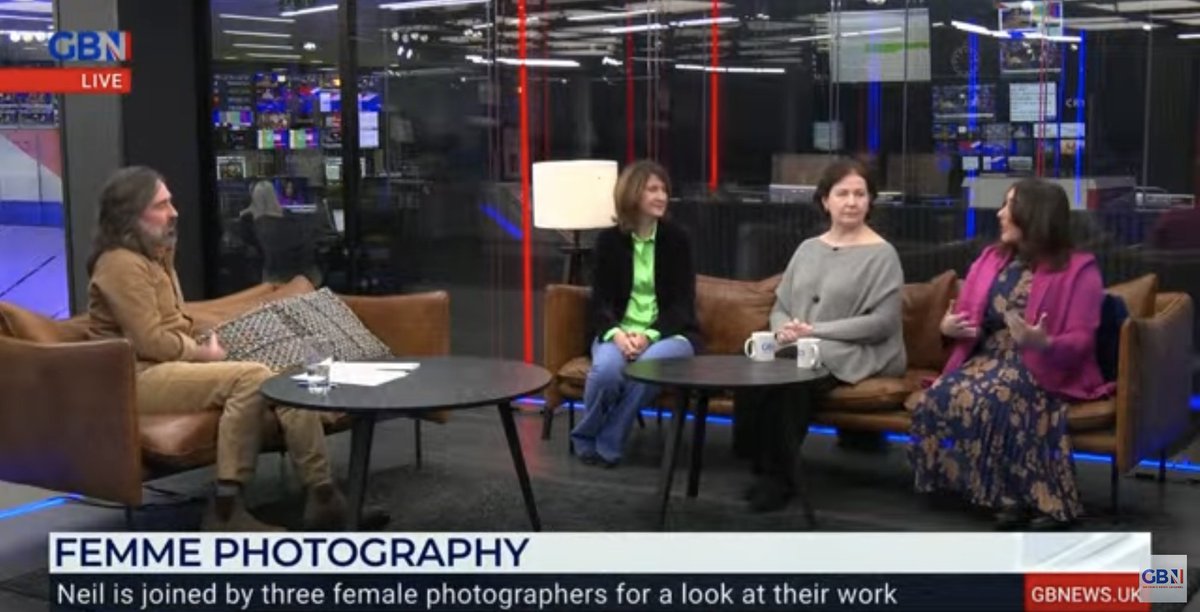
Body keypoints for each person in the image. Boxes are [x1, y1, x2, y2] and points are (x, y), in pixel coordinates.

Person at [87, 166, 347, 531]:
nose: (174, 212)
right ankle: (226, 510)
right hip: (134, 376)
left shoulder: (155, 256)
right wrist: (203, 354)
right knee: (250, 377)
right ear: (129, 215)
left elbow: (173, 325)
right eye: (161, 205)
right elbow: (151, 342)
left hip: (165, 365)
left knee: (289, 377)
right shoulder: (119, 264)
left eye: (171, 202)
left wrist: (214, 337)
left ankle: (323, 496)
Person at [909, 178, 1113, 530]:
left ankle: (1032, 497)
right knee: (940, 396)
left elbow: (1081, 341)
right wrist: (947, 329)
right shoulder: (991, 260)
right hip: (988, 357)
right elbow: (967, 318)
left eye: (1010, 206)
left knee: (1000, 398)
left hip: (1045, 364)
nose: (1001, 214)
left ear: (1034, 215)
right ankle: (997, 494)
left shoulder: (1079, 270)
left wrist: (1043, 343)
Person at [733, 159, 906, 512]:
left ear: (870, 201)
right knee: (754, 362)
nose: (852, 202)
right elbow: (781, 303)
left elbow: (882, 323)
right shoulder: (808, 248)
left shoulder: (882, 254)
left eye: (860, 194)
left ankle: (780, 479)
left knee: (791, 378)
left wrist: (814, 331)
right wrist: (783, 329)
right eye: (842, 193)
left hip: (855, 349)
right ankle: (760, 465)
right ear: (825, 200)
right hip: (801, 343)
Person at [570, 160, 700, 467]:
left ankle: (605, 441)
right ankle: (589, 437)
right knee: (606, 371)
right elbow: (599, 301)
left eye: (664, 190)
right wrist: (617, 335)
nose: (662, 196)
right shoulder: (608, 242)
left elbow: (683, 304)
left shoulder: (677, 240)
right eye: (652, 189)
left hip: (669, 334)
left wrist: (648, 335)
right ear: (632, 195)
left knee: (649, 366)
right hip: (619, 332)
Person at [238, 180, 322, 286]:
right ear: (274, 195)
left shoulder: (249, 220)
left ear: (253, 197)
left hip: (274, 280)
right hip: (307, 278)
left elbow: (249, 248)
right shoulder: (289, 217)